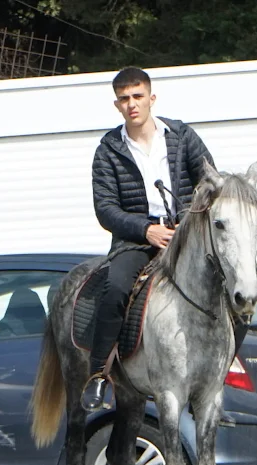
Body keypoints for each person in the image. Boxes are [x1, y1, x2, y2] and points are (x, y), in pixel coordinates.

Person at [81, 66, 215, 412]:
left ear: (151, 98)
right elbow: (105, 209)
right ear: (116, 105)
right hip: (136, 240)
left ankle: (219, 372)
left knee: (242, 282)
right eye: (124, 99)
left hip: (187, 234)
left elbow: (209, 182)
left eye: (137, 96)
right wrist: (145, 230)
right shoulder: (108, 149)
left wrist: (188, 222)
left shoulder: (182, 136)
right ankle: (98, 375)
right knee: (115, 289)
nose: (132, 104)